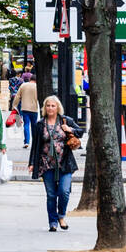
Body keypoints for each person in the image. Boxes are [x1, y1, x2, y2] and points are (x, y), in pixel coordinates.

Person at [29, 95, 80, 232]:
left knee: (64, 191)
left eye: (53, 105)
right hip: (46, 164)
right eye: (48, 105)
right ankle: (52, 221)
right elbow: (35, 145)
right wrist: (32, 163)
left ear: (58, 107)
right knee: (51, 194)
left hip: (65, 163)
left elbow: (79, 131)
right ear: (44, 108)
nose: (50, 108)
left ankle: (61, 215)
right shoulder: (40, 124)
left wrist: (71, 130)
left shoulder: (65, 120)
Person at [14, 71, 39, 146]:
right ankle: (34, 142)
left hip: (25, 108)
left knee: (26, 124)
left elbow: (17, 96)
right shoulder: (37, 86)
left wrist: (14, 106)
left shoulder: (23, 85)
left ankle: (26, 142)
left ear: (30, 79)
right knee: (34, 125)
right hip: (34, 109)